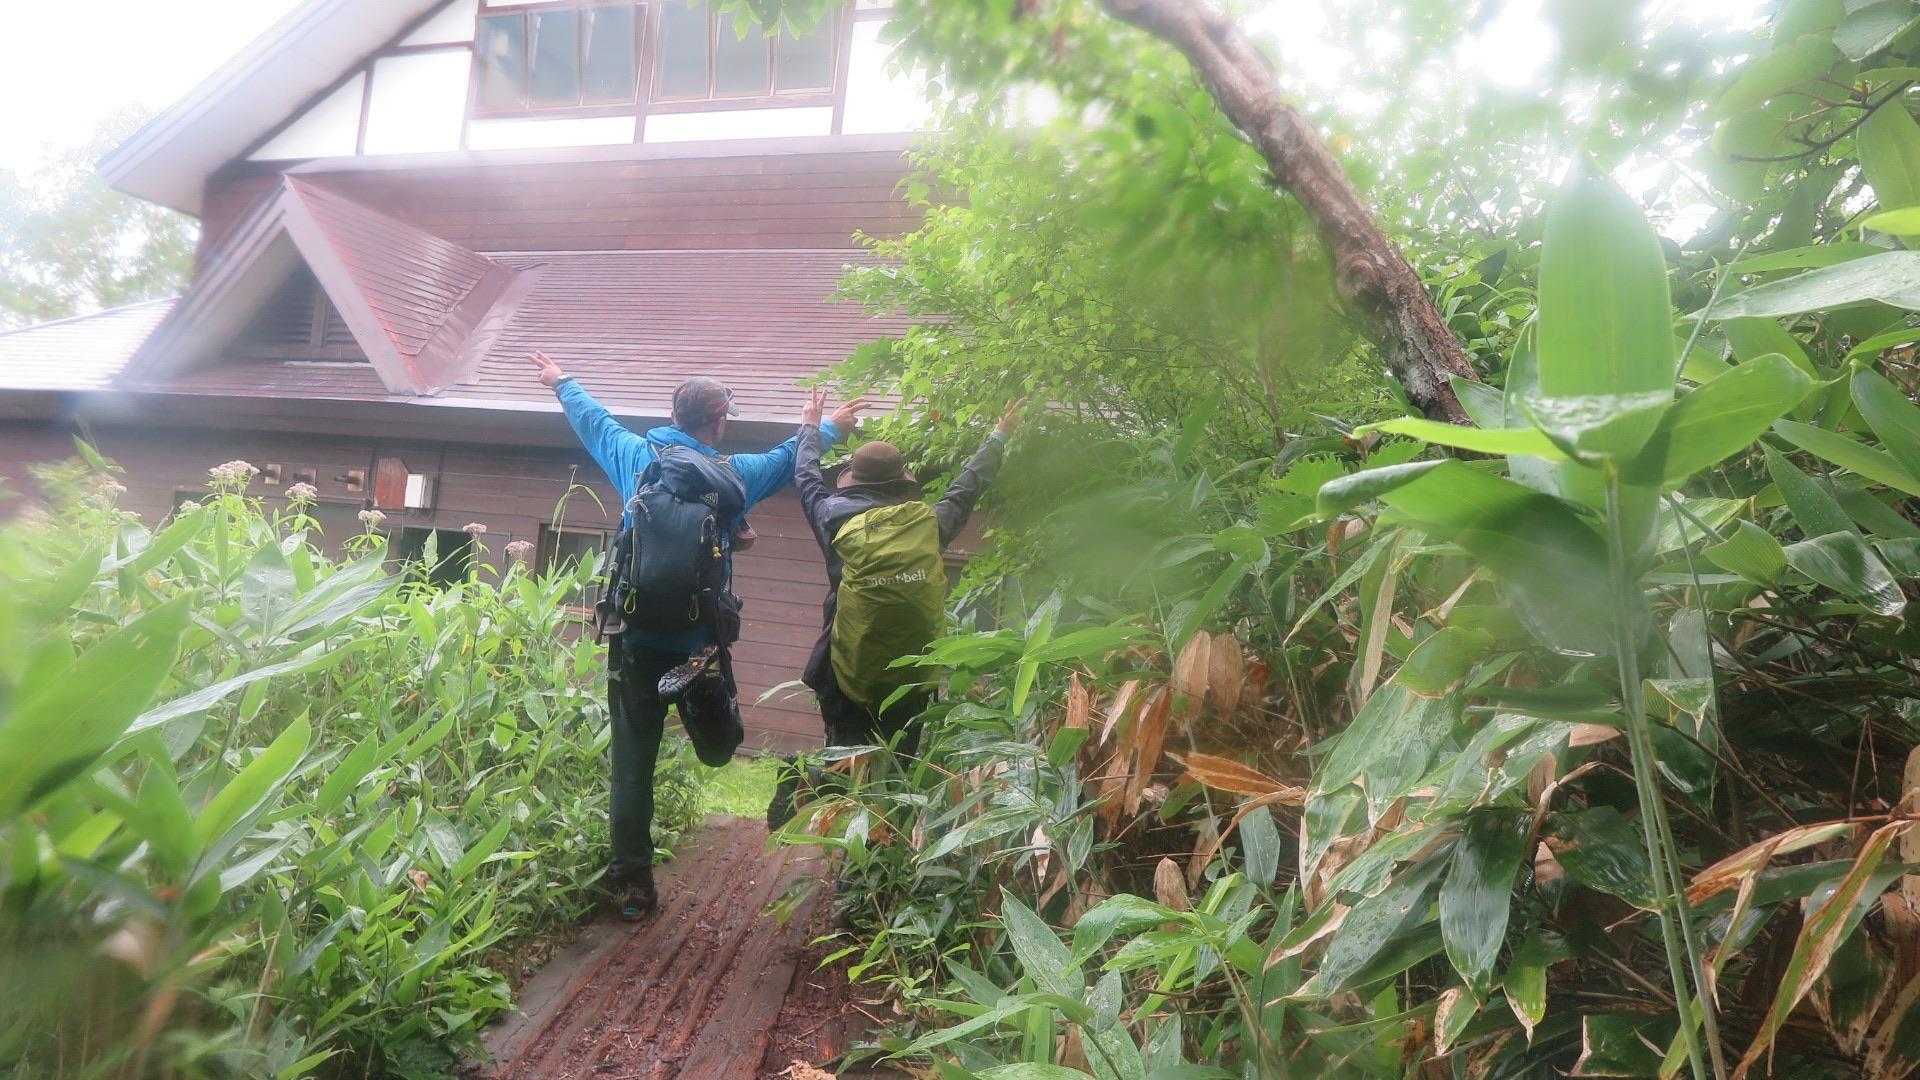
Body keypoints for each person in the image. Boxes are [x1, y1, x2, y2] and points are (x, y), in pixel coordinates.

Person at [527, 351, 864, 918]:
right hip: (700, 649)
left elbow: (593, 420)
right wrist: (825, 426)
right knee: (718, 746)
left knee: (631, 767)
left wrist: (562, 382)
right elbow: (789, 458)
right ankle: (724, 751)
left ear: (672, 415)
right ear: (720, 420)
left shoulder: (638, 458)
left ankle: (632, 889)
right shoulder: (736, 476)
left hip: (635, 644)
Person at [769, 390, 1018, 826]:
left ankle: (811, 786)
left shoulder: (832, 517)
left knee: (844, 756)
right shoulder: (928, 524)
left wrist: (810, 425)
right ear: (901, 480)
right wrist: (998, 436)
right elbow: (966, 488)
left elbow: (805, 474)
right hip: (911, 671)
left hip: (845, 665)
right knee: (900, 767)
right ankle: (886, 848)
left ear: (854, 479)